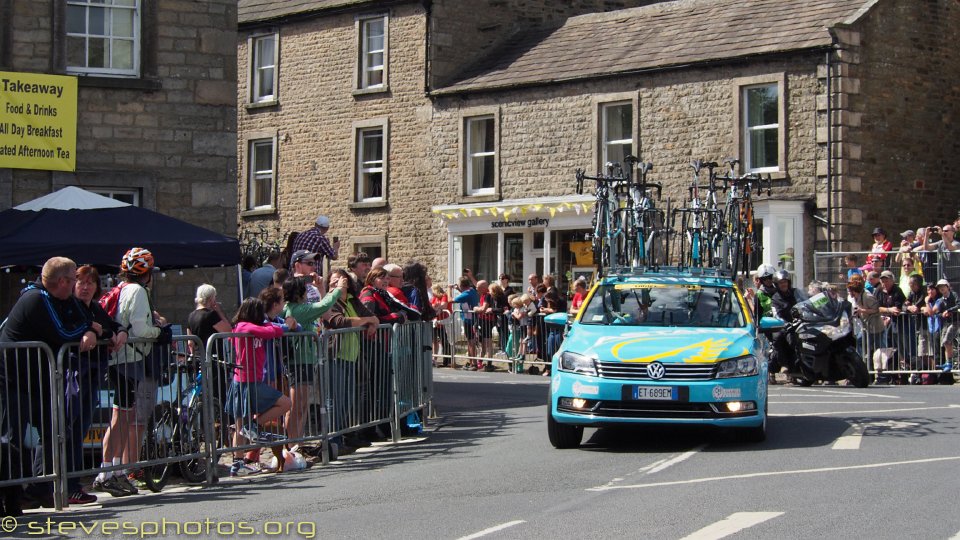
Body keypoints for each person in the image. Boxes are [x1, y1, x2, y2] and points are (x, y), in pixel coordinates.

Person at [0, 257, 98, 515]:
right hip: (13, 381)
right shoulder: (37, 298)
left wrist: (91, 329)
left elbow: (84, 319)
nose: (77, 285)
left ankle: (40, 489)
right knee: (11, 440)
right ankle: (11, 497)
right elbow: (62, 333)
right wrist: (87, 330)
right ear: (63, 282)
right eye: (74, 280)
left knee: (54, 431)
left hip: (38, 381)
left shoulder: (63, 299)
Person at [95, 248, 166, 498]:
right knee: (121, 416)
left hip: (124, 358)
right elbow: (140, 329)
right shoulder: (137, 291)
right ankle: (107, 472)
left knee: (124, 416)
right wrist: (159, 332)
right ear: (145, 274)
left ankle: (115, 470)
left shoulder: (123, 288)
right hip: (129, 358)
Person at [68, 266, 127, 505]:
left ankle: (73, 485)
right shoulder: (70, 307)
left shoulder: (94, 307)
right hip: (73, 375)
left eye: (90, 282)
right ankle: (67, 486)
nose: (86, 287)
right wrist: (94, 329)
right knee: (69, 430)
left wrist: (119, 332)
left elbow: (113, 324)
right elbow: (70, 330)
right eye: (81, 282)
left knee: (79, 429)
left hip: (92, 374)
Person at [225, 298, 292, 476]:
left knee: (241, 425)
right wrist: (284, 326)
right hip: (246, 381)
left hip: (251, 380)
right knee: (285, 403)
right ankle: (239, 461)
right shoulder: (243, 326)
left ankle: (251, 428)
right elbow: (272, 331)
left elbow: (269, 330)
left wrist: (275, 327)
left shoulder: (255, 327)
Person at [323, 269, 379, 449]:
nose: (337, 285)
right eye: (333, 282)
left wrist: (371, 321)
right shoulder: (328, 302)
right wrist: (365, 321)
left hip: (353, 356)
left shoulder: (353, 300)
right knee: (336, 401)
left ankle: (345, 436)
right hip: (335, 356)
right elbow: (339, 321)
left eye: (340, 281)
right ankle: (333, 440)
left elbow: (373, 318)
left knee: (349, 400)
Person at [282, 276, 341, 441]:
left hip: (306, 360)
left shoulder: (300, 307)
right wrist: (337, 290)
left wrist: (322, 289)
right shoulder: (297, 310)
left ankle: (297, 442)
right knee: (296, 407)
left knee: (303, 406)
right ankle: (291, 445)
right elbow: (323, 306)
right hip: (299, 361)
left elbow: (321, 308)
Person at [186, 284, 232, 355]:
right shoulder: (210, 314)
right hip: (213, 357)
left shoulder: (191, 316)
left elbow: (190, 342)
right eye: (214, 296)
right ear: (211, 298)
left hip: (199, 356)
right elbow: (228, 331)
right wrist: (219, 312)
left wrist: (193, 359)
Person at [451, 276, 480, 368]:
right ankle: (471, 362)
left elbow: (450, 300)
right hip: (471, 319)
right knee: (470, 341)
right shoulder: (472, 290)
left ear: (461, 285)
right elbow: (465, 296)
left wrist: (449, 289)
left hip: (469, 319)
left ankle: (474, 363)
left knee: (471, 342)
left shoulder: (466, 294)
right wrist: (458, 289)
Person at [932, 279, 958, 364]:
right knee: (944, 343)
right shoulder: (940, 300)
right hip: (946, 323)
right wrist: (942, 314)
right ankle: (948, 363)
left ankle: (949, 362)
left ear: (947, 287)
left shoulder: (954, 295)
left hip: (956, 322)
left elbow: (959, 305)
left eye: (943, 286)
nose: (941, 288)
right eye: (939, 287)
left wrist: (949, 311)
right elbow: (937, 313)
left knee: (947, 341)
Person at [430, 284, 453, 366]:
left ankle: (447, 360)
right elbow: (431, 306)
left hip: (443, 322)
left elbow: (444, 305)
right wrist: (436, 308)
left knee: (445, 341)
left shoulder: (444, 295)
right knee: (434, 341)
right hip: (435, 322)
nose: (432, 293)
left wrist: (437, 308)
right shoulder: (435, 298)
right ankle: (434, 359)